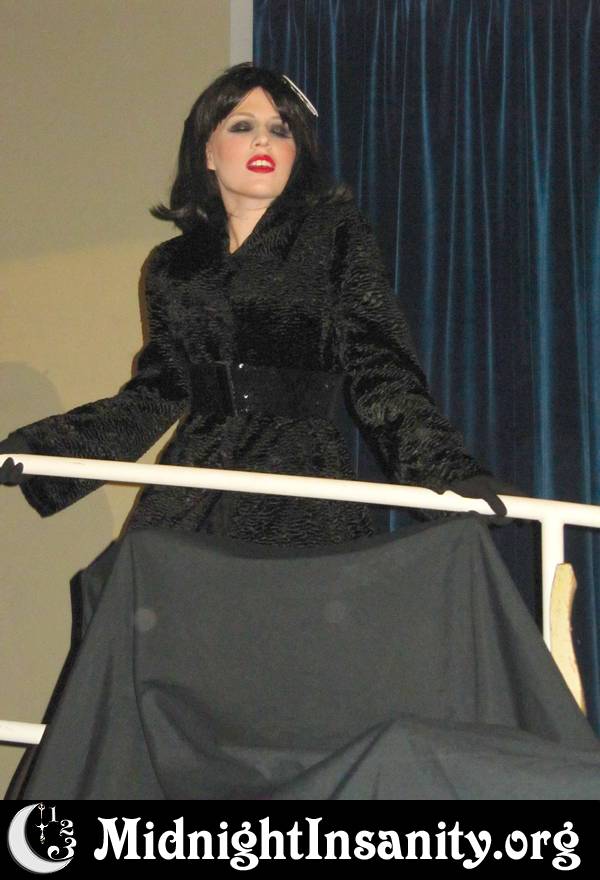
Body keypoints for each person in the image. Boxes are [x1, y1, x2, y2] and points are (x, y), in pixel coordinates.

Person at [2, 63, 599, 800]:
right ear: (207, 150)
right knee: (145, 612)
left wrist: (442, 467)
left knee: (300, 683)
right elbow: (157, 393)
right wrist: (39, 452)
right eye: (242, 126)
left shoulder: (333, 235)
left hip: (301, 481)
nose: (264, 141)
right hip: (197, 488)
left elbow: (379, 366)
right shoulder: (172, 266)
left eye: (281, 130)